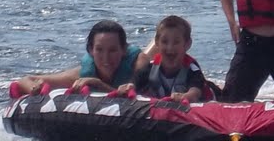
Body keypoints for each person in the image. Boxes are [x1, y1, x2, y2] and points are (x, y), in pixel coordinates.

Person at [11, 19, 145, 97]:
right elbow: (25, 80)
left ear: (124, 50)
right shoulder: (81, 74)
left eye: (113, 50)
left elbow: (131, 96)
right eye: (99, 50)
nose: (106, 57)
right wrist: (36, 89)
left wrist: (96, 84)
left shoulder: (138, 65)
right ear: (90, 50)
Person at [132, 15, 209, 102]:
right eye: (164, 42)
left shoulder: (193, 70)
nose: (170, 48)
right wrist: (128, 87)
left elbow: (195, 92)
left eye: (176, 42)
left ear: (187, 44)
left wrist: (186, 96)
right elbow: (133, 85)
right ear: (157, 42)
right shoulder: (149, 69)